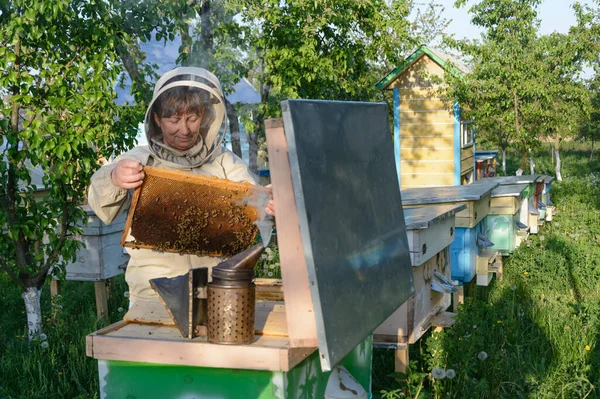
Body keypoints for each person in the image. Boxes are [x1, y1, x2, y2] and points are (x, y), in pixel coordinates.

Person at [88, 67, 272, 306]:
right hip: (153, 294)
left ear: (204, 116)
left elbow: (252, 201)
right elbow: (99, 199)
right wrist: (114, 177)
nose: (184, 130)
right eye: (174, 120)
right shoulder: (140, 159)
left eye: (192, 119)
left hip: (216, 290)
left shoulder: (223, 161)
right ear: (157, 119)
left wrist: (267, 201)